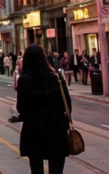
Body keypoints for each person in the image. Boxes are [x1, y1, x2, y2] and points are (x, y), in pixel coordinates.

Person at [15, 44, 71, 174]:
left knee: (36, 169)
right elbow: (67, 104)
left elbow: (21, 108)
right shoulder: (56, 78)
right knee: (56, 169)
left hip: (34, 130)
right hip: (56, 129)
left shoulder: (24, 80)